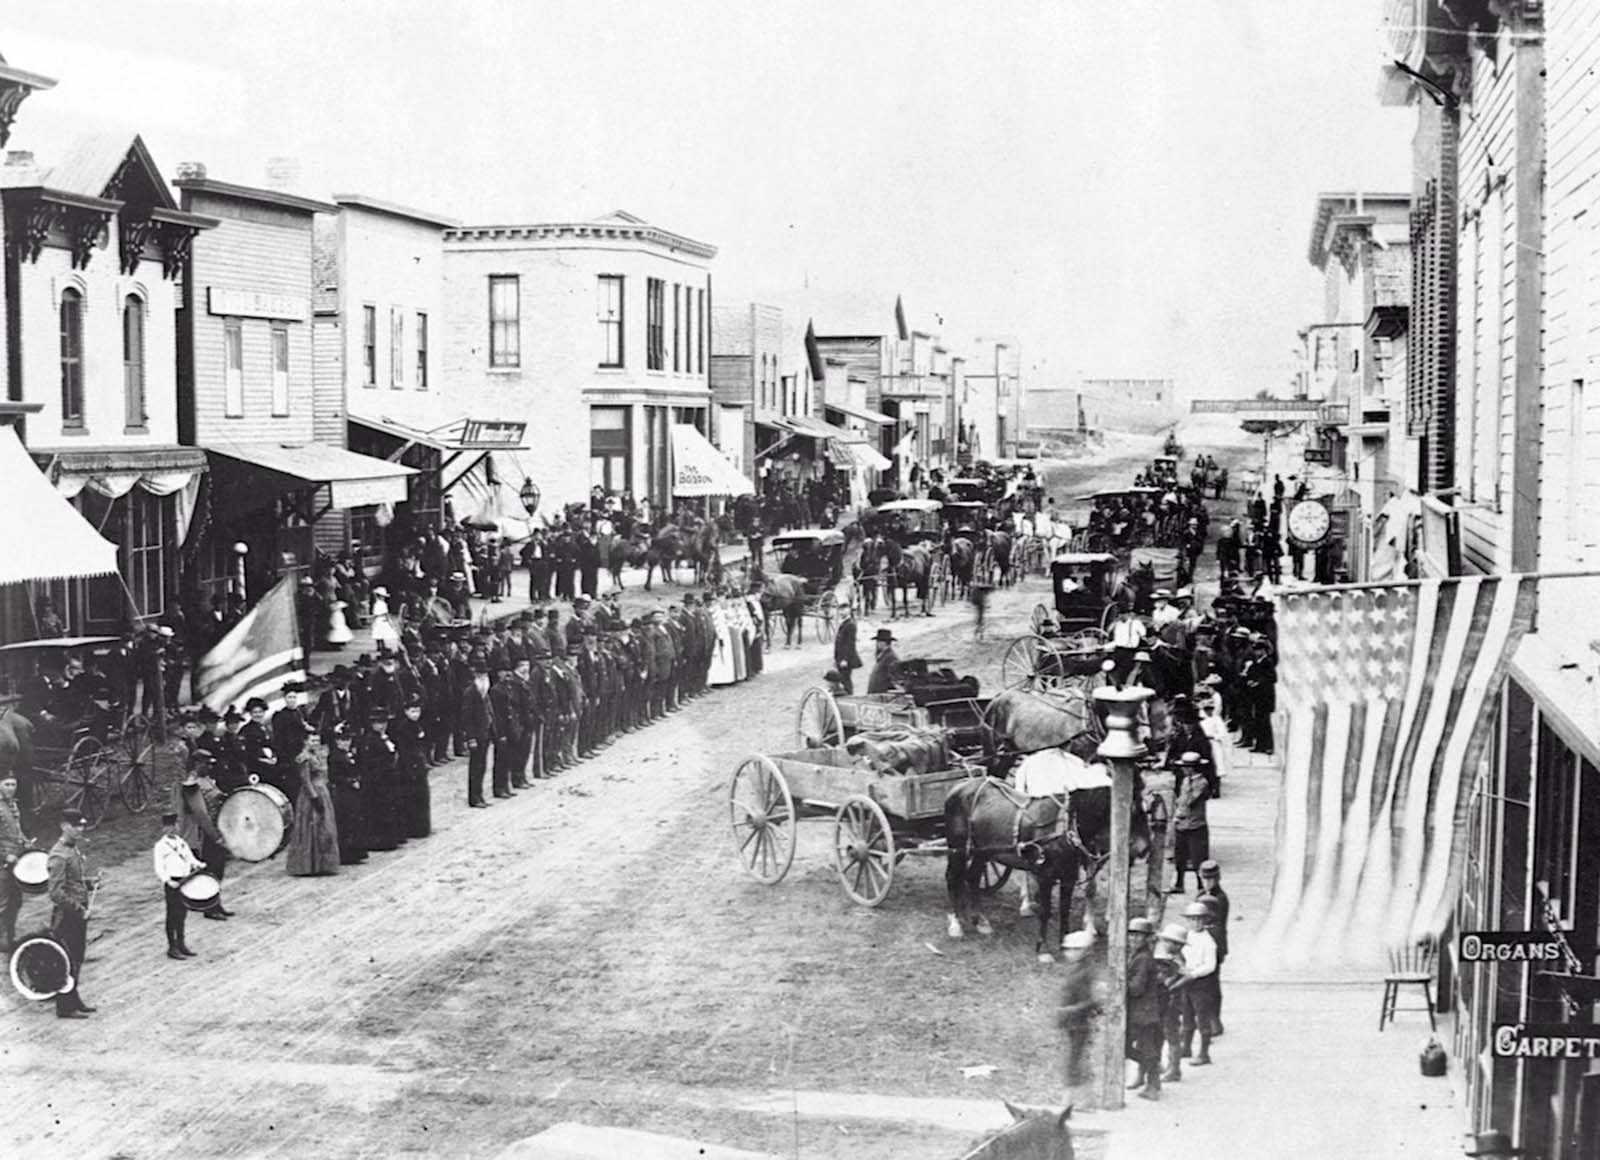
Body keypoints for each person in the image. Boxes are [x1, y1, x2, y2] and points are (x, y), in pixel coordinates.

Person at [47, 810, 96, 1018]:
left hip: (78, 912)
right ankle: (64, 1007)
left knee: (77, 957)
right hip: (68, 915)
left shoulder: (72, 849)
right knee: (67, 959)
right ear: (63, 826)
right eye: (76, 826)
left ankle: (74, 999)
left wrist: (89, 883)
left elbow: (73, 882)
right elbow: (56, 892)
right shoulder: (58, 855)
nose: (80, 829)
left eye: (82, 826)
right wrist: (79, 909)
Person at [286, 737, 341, 876]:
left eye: (317, 741)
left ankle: (323, 864)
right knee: (312, 826)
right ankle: (309, 865)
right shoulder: (304, 758)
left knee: (324, 826)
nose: (315, 743)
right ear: (305, 742)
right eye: (312, 741)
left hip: (323, 790)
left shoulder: (318, 755)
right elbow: (305, 780)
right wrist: (314, 797)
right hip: (311, 795)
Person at [153, 811, 204, 960]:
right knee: (172, 915)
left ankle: (182, 944)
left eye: (173, 825)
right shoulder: (161, 846)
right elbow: (159, 867)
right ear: (163, 828)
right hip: (173, 882)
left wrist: (199, 864)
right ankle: (172, 947)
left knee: (182, 914)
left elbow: (189, 858)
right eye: (168, 826)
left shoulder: (181, 842)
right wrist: (168, 881)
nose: (171, 829)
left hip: (185, 880)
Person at [1055, 928, 1101, 1092]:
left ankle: (1077, 1098)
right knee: (1074, 1060)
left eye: (1076, 950)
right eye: (1068, 949)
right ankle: (1078, 1096)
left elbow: (1091, 1001)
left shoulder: (1086, 973)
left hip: (1079, 1023)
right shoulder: (1074, 969)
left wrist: (1069, 1010)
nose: (1070, 953)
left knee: (1075, 1061)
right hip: (1071, 1022)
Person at [1175, 900, 1219, 1067]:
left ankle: (1204, 1053)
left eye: (1199, 919)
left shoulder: (1208, 942)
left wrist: (1193, 973)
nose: (1196, 923)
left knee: (1202, 1018)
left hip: (1202, 983)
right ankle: (1186, 1047)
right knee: (1187, 1014)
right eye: (1192, 919)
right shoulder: (1189, 936)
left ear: (1206, 920)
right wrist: (1181, 966)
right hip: (1188, 980)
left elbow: (1210, 966)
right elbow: (1183, 954)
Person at [1124, 917, 1164, 1100]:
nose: (1133, 940)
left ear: (1147, 938)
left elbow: (1136, 988)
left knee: (1143, 1049)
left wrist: (1121, 984)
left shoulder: (1143, 959)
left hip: (1144, 1013)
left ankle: (1153, 1083)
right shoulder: (1138, 955)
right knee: (1138, 1048)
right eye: (1131, 936)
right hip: (1141, 1012)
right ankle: (1152, 1076)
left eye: (1138, 936)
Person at [1169, 751, 1211, 894]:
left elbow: (1189, 801)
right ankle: (1179, 883)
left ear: (1191, 768)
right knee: (1180, 856)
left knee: (1198, 857)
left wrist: (1179, 813)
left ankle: (1201, 886)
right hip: (1182, 824)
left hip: (1195, 824)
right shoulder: (1186, 781)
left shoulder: (1201, 783)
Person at [0, 773, 32, 952]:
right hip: (3, 862)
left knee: (16, 899)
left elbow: (16, 831)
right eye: (7, 784)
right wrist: (4, 856)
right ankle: (2, 939)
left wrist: (26, 842)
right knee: (2, 901)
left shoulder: (13, 804)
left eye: (13, 784)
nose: (11, 788)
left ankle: (10, 936)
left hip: (17, 859)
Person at [1196, 861, 1229, 1036]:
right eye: (1205, 879)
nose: (1207, 883)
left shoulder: (1220, 899)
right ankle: (1206, 1018)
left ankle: (1215, 1019)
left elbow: (1216, 925)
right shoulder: (1201, 895)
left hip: (1215, 945)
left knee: (1212, 985)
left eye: (1211, 879)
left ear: (1217, 879)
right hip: (1201, 946)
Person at [328, 726, 368, 865]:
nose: (345, 743)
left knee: (355, 819)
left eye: (347, 740)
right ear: (337, 742)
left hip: (353, 791)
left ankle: (356, 852)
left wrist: (357, 778)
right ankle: (346, 854)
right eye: (342, 741)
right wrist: (350, 782)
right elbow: (334, 776)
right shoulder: (335, 757)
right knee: (346, 821)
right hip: (343, 792)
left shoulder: (349, 754)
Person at [1153, 922, 1188, 1084]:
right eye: (1166, 941)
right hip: (1165, 1001)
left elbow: (1185, 976)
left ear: (1178, 945)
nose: (1167, 944)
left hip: (1173, 1003)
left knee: (1171, 1034)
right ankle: (1163, 1065)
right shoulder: (1166, 958)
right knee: (1162, 1033)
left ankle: (1175, 1068)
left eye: (1171, 942)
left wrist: (1171, 985)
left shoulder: (1177, 960)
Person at [459, 659, 496, 808]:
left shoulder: (485, 692)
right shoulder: (470, 692)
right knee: (476, 766)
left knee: (482, 765)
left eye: (485, 674)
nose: (484, 677)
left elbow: (490, 712)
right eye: (481, 674)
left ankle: (479, 795)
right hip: (476, 734)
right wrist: (470, 737)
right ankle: (474, 798)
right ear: (475, 675)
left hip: (485, 733)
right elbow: (466, 717)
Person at [832, 605, 862, 694]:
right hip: (840, 657)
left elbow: (850, 644)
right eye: (840, 610)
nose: (841, 612)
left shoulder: (850, 625)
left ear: (849, 611)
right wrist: (836, 658)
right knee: (843, 679)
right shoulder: (845, 623)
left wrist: (845, 659)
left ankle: (849, 695)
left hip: (846, 659)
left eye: (844, 610)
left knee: (846, 680)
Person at [866, 629, 900, 695]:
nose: (877, 644)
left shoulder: (891, 657)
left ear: (883, 643)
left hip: (882, 695)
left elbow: (895, 679)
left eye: (878, 641)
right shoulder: (883, 655)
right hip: (876, 694)